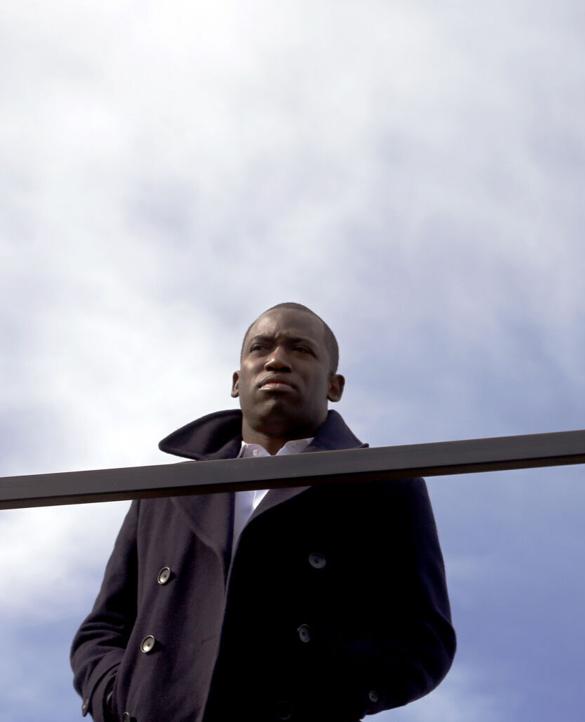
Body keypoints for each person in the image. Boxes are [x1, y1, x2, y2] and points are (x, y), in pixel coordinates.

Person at [71, 303, 455, 722]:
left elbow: (424, 639)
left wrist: (326, 695)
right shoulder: (166, 492)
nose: (277, 360)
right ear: (237, 381)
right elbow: (104, 628)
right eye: (260, 348)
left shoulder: (382, 485)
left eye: (301, 349)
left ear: (334, 385)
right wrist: (118, 696)